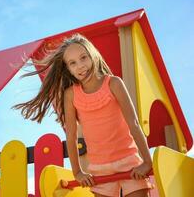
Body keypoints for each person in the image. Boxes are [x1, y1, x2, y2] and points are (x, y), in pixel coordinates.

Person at [13, 33, 153, 197]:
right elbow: (71, 135)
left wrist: (146, 162)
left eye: (83, 58)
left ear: (93, 55)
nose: (80, 66)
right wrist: (78, 172)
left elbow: (134, 124)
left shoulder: (114, 84)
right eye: (72, 63)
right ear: (68, 69)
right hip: (100, 169)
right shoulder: (71, 95)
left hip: (129, 162)